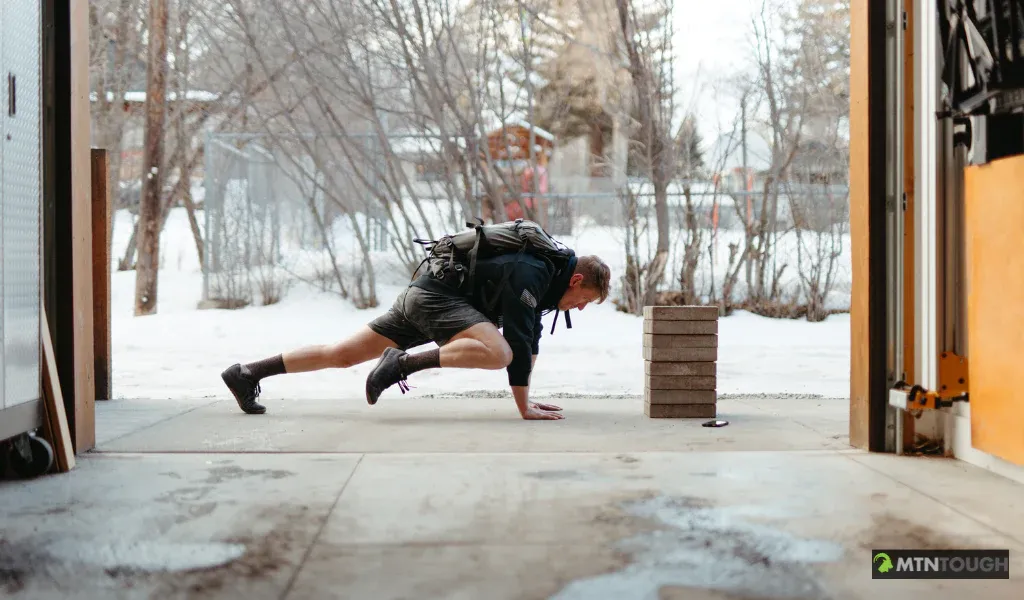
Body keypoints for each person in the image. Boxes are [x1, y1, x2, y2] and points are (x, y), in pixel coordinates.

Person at [220, 243, 611, 421]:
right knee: (500, 353)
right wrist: (523, 407)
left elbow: (532, 338)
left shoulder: (545, 276)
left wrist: (529, 398)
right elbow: (518, 345)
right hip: (434, 300)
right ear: (576, 280)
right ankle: (402, 364)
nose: (579, 308)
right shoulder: (536, 272)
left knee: (341, 354)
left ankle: (248, 373)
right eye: (584, 300)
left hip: (422, 296)